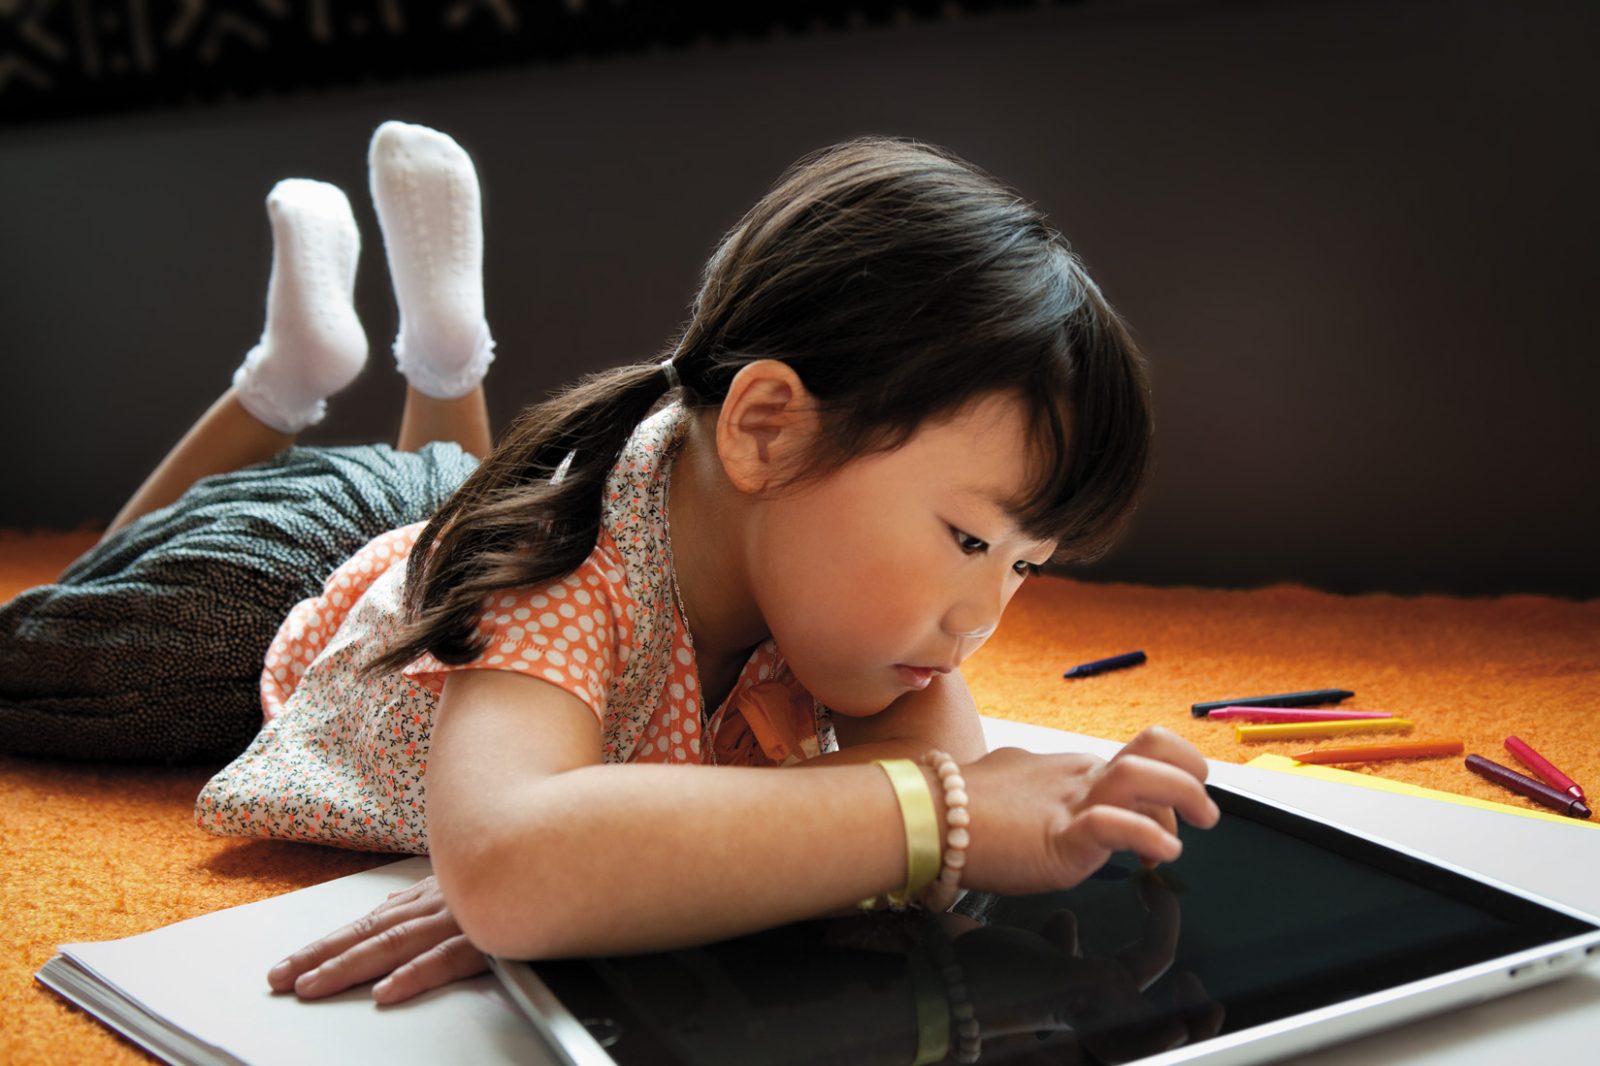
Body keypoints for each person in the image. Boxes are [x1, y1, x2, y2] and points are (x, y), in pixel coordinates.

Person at [2, 122, 1221, 1021]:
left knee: (458, 495)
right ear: (765, 429)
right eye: (967, 540)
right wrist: (934, 818)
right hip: (294, 589)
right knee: (82, 625)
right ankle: (287, 374)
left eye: (1027, 567)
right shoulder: (570, 556)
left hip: (460, 535)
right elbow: (525, 868)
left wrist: (633, 874)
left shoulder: (848, 599)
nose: (978, 618)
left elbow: (918, 807)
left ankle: (438, 349)